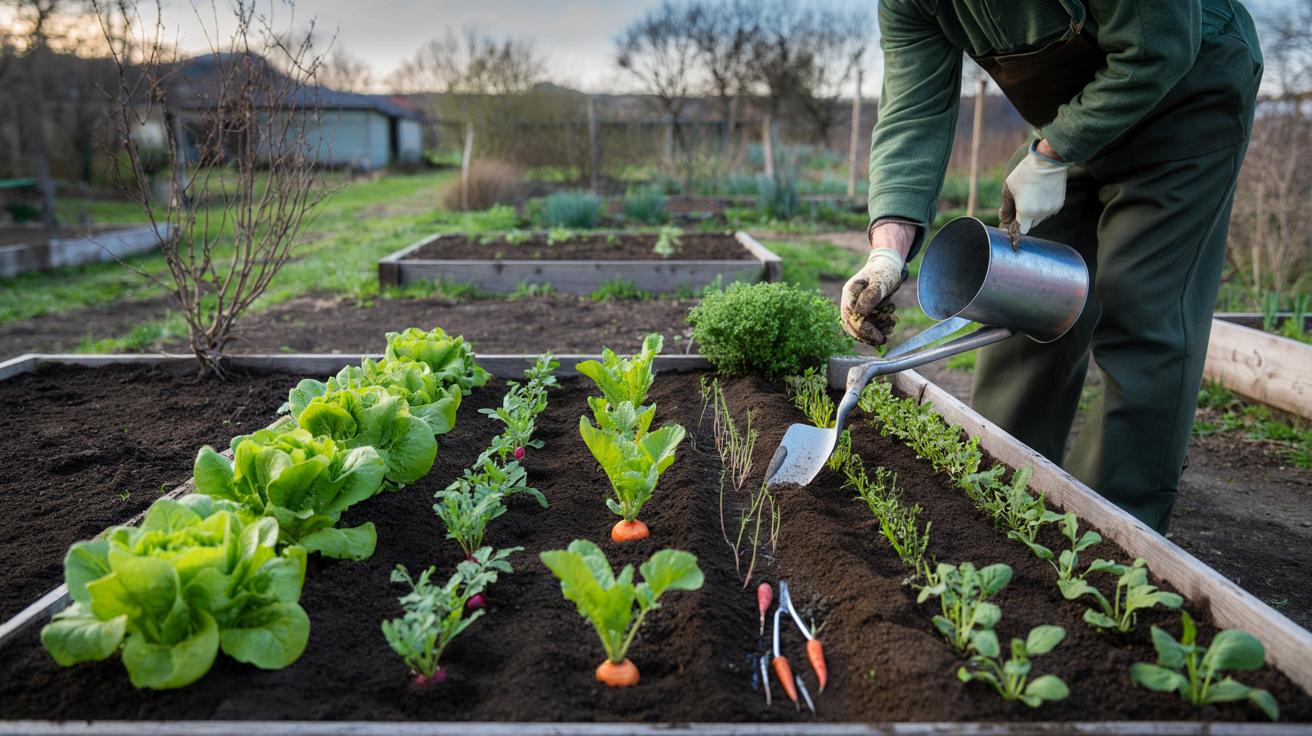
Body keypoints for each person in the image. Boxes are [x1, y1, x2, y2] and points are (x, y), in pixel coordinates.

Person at [843, 0, 1263, 532]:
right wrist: (886, 251)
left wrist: (1054, 150)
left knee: (1140, 312)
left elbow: (1159, 46)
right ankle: (995, 503)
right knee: (1019, 303)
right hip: (1077, 114)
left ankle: (1110, 544)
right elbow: (912, 111)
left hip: (1186, 96)